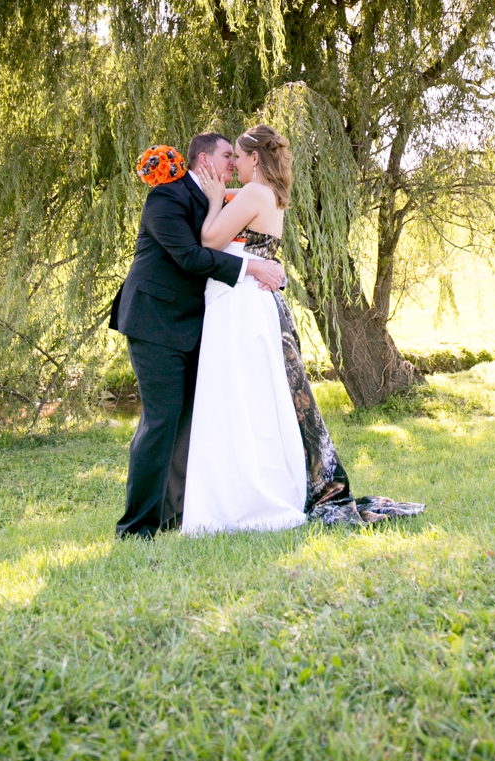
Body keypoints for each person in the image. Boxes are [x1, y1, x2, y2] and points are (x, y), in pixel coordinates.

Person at [182, 124, 426, 533]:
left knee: (241, 397)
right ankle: (271, 482)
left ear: (254, 159)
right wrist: (218, 194)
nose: (234, 166)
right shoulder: (268, 195)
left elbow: (209, 239)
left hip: (240, 306)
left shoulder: (255, 193)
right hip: (250, 303)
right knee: (261, 398)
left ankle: (251, 492)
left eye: (238, 158)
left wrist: (210, 200)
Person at [109, 133, 286, 539]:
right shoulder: (165, 198)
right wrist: (252, 271)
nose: (232, 164)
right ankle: (135, 527)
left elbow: (245, 228)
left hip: (195, 326)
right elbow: (190, 256)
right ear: (203, 159)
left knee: (189, 422)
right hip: (155, 322)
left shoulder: (220, 197)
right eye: (227, 156)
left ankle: (174, 514)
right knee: (160, 421)